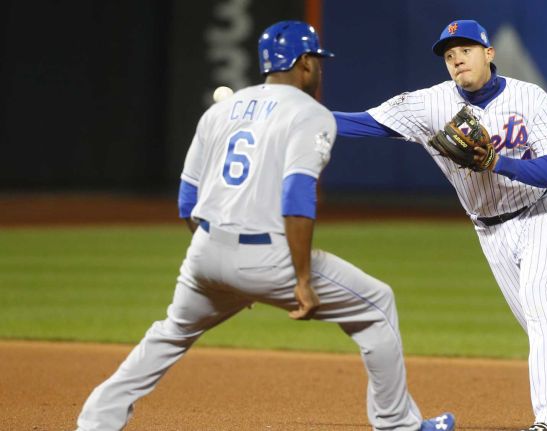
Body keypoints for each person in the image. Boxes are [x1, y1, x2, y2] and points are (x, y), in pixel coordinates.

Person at [73, 20, 455, 431]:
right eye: (317, 61)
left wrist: (226, 266)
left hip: (204, 250)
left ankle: (96, 421)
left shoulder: (219, 110)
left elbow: (187, 200)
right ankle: (396, 424)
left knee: (170, 333)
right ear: (304, 63)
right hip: (267, 258)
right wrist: (301, 279)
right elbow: (297, 197)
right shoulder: (311, 114)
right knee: (377, 305)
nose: (319, 68)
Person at [332, 19, 547, 431]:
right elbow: (362, 123)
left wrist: (496, 162)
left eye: (465, 50)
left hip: (544, 213)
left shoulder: (529, 97)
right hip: (490, 230)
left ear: (489, 53)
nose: (457, 60)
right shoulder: (430, 105)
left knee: (541, 308)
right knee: (544, 329)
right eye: (449, 56)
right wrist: (300, 117)